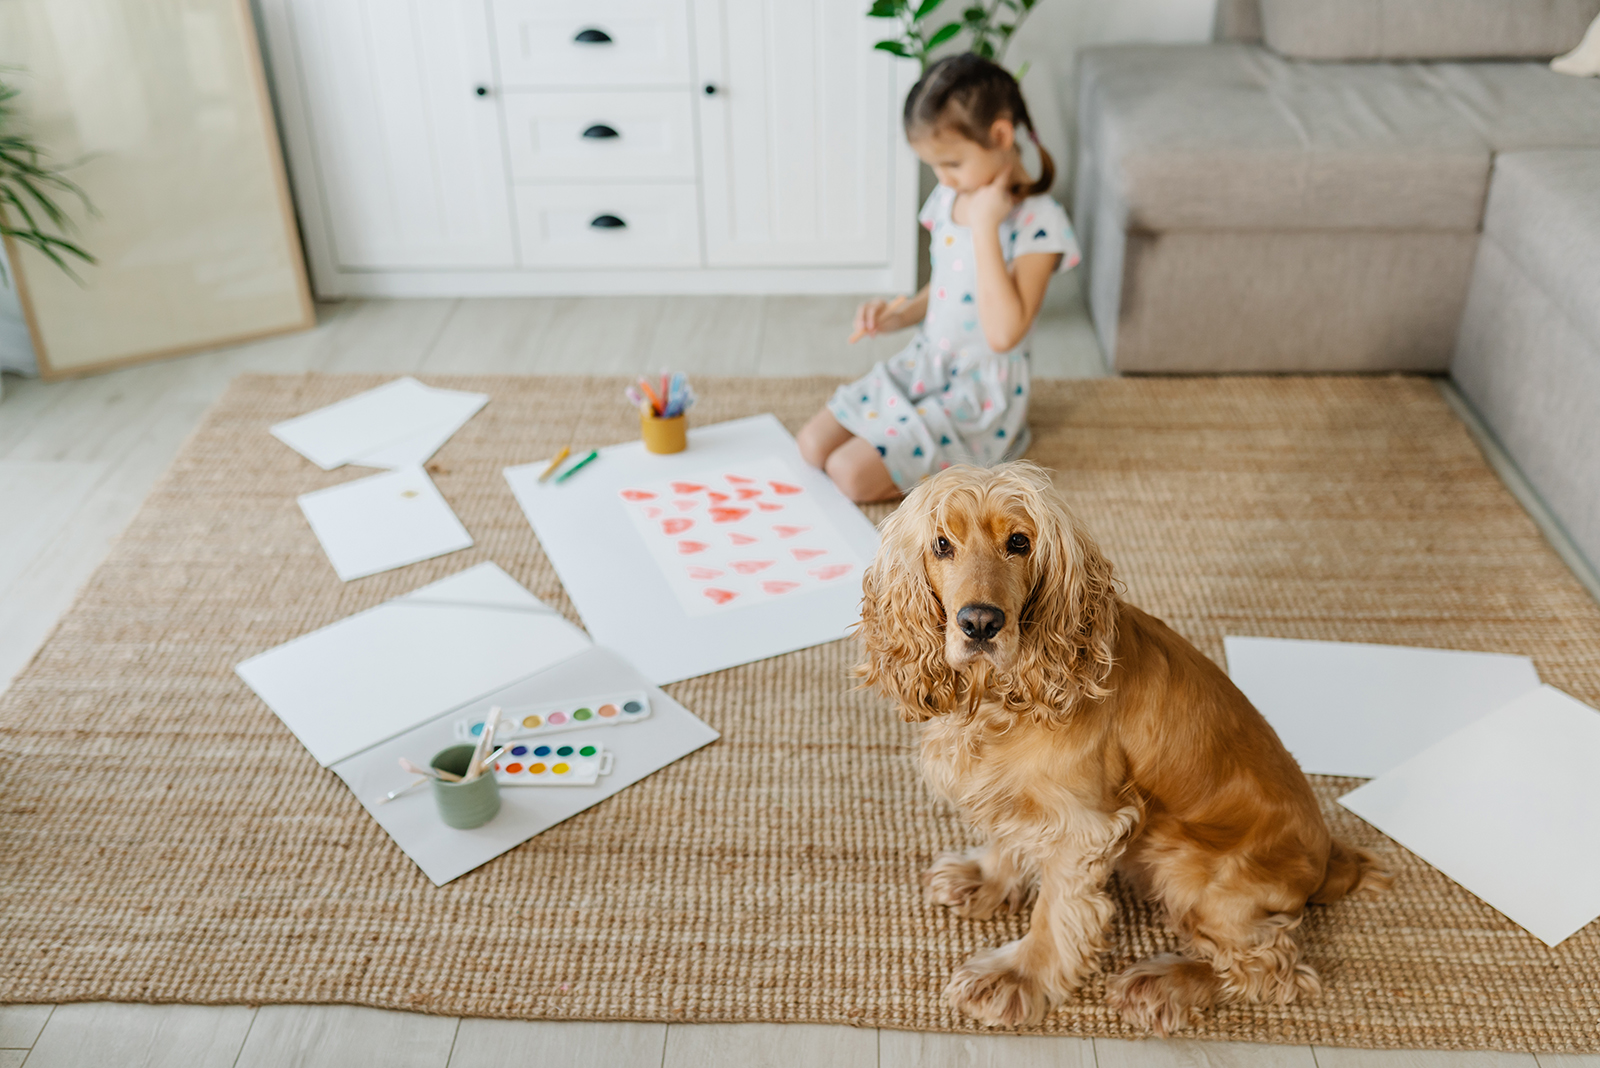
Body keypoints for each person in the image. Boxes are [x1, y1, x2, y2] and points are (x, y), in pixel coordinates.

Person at [797, 53, 1081, 503]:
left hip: (979, 391)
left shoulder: (1038, 223)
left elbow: (1004, 333)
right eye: (934, 165)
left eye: (951, 163)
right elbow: (950, 287)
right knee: (812, 447)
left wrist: (987, 227)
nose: (942, 178)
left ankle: (978, 450)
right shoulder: (951, 196)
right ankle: (906, 439)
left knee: (848, 475)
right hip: (927, 363)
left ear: (1001, 135)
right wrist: (899, 315)